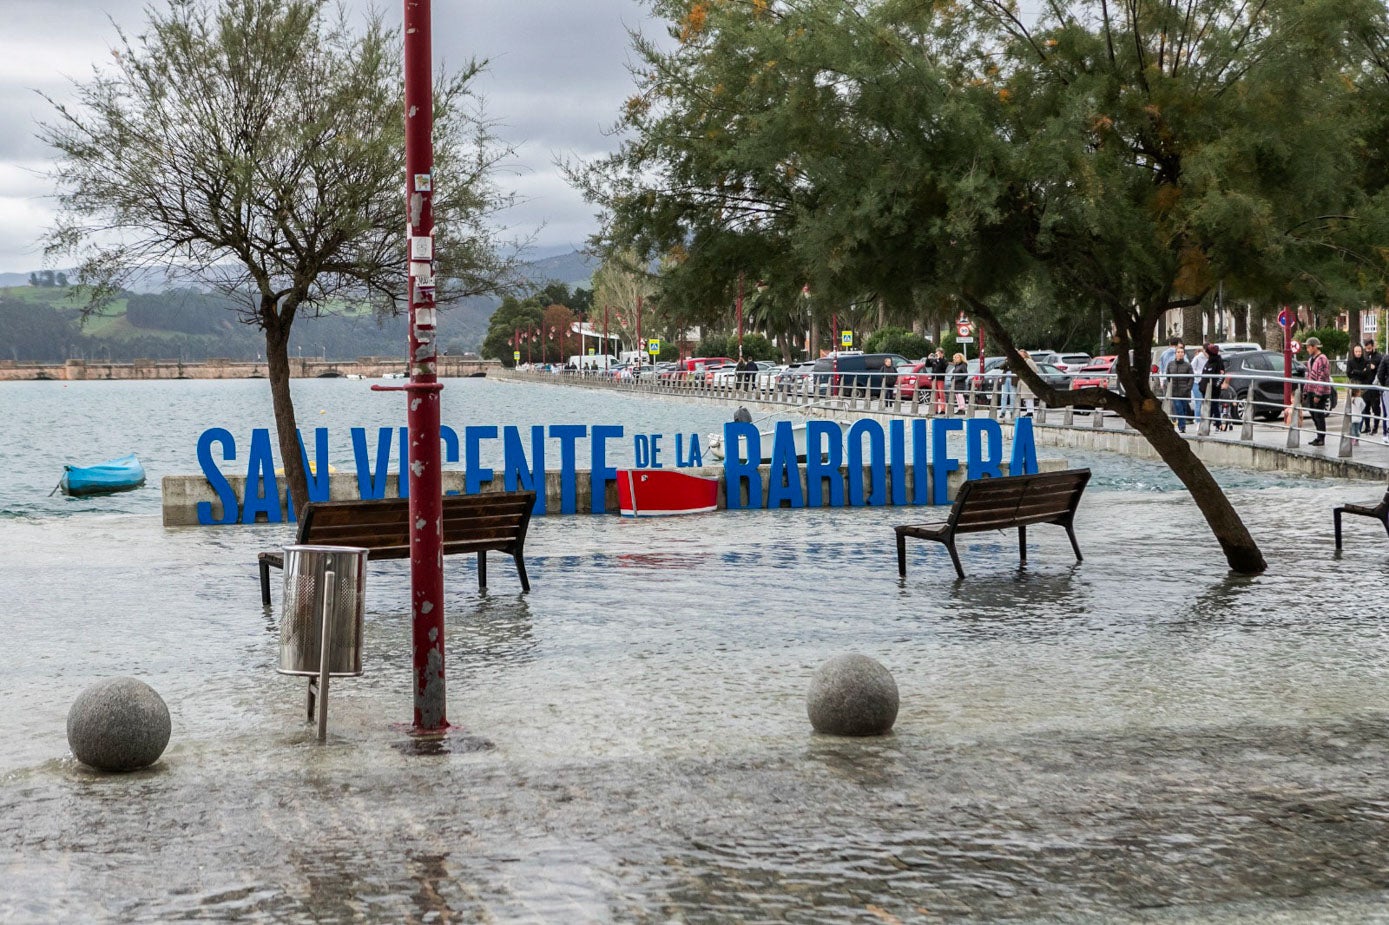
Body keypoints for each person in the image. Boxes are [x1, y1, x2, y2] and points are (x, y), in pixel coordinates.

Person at [1303, 336, 1332, 446]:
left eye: (1308, 347)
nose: (1307, 349)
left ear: (1314, 347)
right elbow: (1309, 376)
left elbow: (1323, 377)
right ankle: (1318, 435)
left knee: (1319, 415)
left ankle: (1321, 437)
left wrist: (1318, 394)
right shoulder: (1311, 360)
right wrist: (1306, 391)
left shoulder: (1322, 359)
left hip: (1320, 392)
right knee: (1313, 414)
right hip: (1311, 389)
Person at [1346, 343, 1373, 439]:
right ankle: (1354, 430)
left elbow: (1367, 374)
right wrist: (1361, 372)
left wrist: (1356, 372)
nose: (1358, 353)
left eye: (1360, 351)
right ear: (1353, 352)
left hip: (1363, 387)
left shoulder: (1366, 361)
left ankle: (1365, 427)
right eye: (1356, 351)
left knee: (1364, 408)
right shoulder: (1350, 362)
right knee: (1353, 409)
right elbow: (1349, 373)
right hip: (1353, 387)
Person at [1165, 346, 1194, 433]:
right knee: (1179, 408)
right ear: (1175, 354)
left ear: (1184, 354)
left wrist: (1188, 388)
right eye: (1178, 352)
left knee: (1184, 409)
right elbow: (1168, 376)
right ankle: (1182, 426)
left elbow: (1191, 378)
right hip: (1174, 391)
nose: (1180, 354)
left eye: (1182, 352)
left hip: (1184, 391)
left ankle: (1182, 424)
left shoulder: (1188, 365)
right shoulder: (1170, 364)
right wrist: (1170, 385)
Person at [1360, 339, 1383, 435]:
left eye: (1369, 348)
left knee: (1375, 408)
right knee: (1365, 408)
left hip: (1374, 386)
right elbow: (1363, 367)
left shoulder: (1378, 357)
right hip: (1365, 385)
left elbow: (1378, 369)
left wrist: (1369, 367)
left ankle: (1375, 428)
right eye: (1366, 348)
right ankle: (1367, 427)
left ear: (1373, 346)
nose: (1368, 350)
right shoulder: (1364, 355)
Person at [1202, 344, 1226, 430]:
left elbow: (1221, 375)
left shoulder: (1218, 362)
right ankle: (1210, 423)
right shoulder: (1208, 362)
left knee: (1214, 405)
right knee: (1210, 406)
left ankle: (1218, 423)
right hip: (1205, 389)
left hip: (1214, 389)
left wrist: (1216, 385)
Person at [1189, 342, 1207, 423]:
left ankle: (1206, 420)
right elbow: (1191, 368)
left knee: (1206, 401)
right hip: (1197, 382)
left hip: (1206, 382)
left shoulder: (1210, 358)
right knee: (1198, 402)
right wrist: (1199, 374)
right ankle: (1198, 420)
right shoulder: (1198, 358)